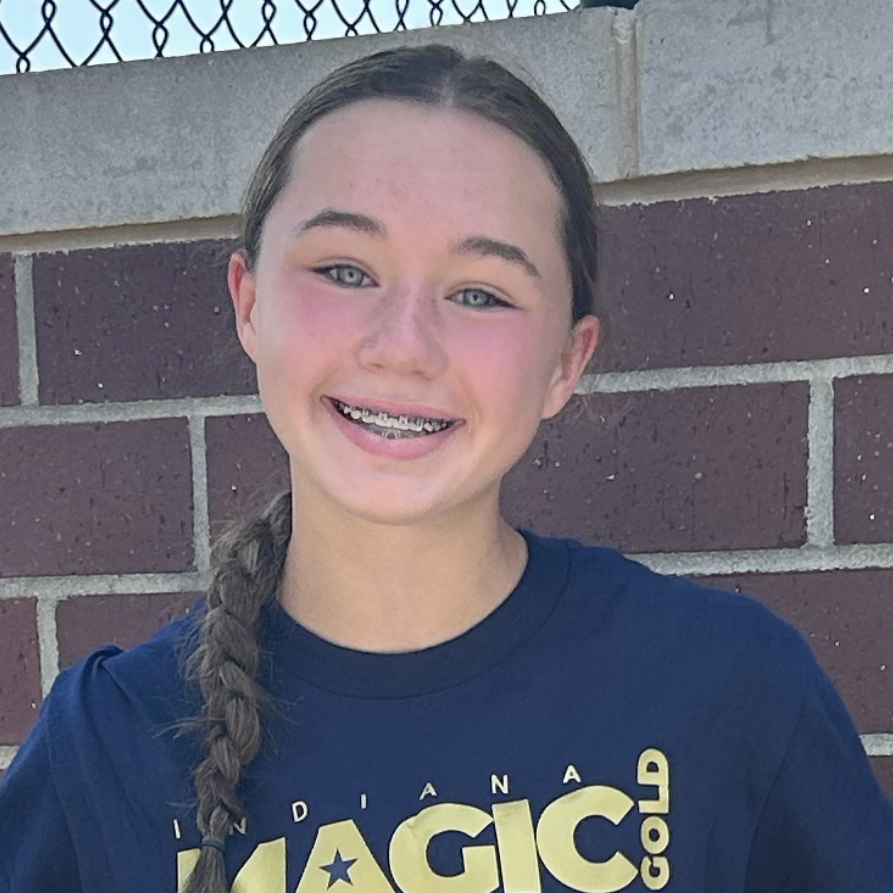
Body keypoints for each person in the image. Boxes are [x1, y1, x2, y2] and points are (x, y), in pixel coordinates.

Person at [1, 43, 892, 893]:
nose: (403, 346)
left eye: (479, 292)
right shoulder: (107, 744)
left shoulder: (730, 688)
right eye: (344, 270)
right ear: (250, 303)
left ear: (566, 361)